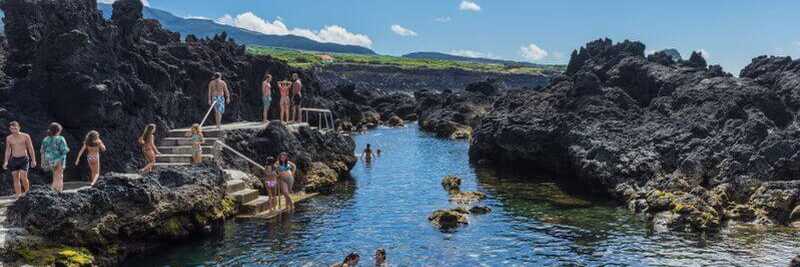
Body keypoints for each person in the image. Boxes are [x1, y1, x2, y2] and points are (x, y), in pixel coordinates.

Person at [3, 121, 36, 199]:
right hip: (14, 159)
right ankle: (18, 195)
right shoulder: (9, 138)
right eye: (11, 129)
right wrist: (6, 161)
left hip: (24, 159)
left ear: (19, 128)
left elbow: (30, 148)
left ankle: (27, 193)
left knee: (23, 176)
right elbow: (8, 150)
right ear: (10, 129)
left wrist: (33, 160)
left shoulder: (25, 136)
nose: (13, 130)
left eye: (15, 128)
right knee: (15, 177)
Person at [40, 122, 69, 192]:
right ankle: (56, 191)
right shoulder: (60, 138)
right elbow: (64, 150)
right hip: (59, 160)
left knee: (55, 175)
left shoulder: (46, 139)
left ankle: (56, 191)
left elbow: (42, 151)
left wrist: (43, 161)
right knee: (59, 176)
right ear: (58, 130)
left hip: (50, 160)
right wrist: (68, 149)